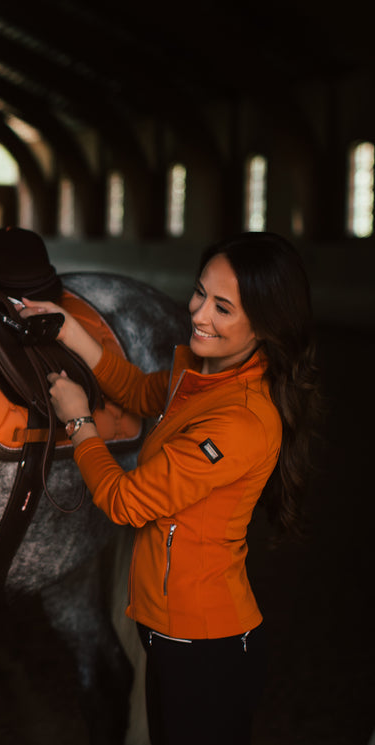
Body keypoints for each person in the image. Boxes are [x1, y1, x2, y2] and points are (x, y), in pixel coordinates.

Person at [21, 232, 320, 745]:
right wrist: (70, 329)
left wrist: (79, 422)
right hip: (168, 630)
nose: (198, 313)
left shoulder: (240, 422)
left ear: (265, 326)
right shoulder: (200, 376)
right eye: (200, 293)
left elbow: (125, 502)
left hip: (202, 642)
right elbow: (139, 390)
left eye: (222, 308)